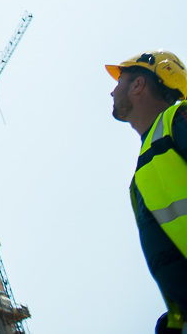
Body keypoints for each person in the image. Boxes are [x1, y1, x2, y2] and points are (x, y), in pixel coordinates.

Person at [107, 51, 187, 333]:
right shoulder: (147, 163)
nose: (112, 90)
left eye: (119, 81)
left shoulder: (179, 121)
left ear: (139, 85)